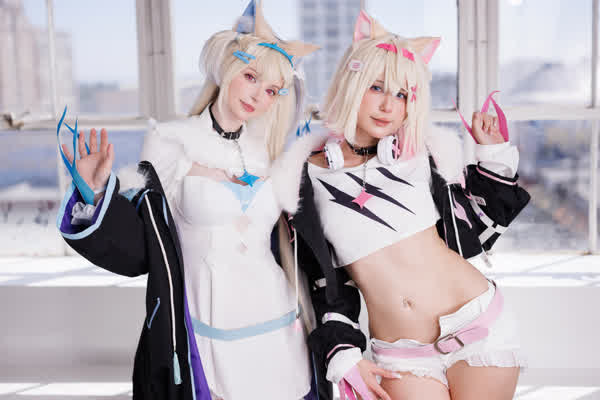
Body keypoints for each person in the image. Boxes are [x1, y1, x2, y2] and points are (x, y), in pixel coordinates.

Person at [56, 1, 322, 398]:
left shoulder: (268, 152)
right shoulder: (170, 141)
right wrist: (96, 193)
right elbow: (142, 247)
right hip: (207, 328)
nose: (258, 96)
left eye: (271, 90)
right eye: (251, 76)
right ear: (226, 69)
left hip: (278, 319)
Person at [292, 10, 531, 400]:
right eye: (377, 88)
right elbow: (325, 284)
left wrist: (493, 155)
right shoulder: (303, 180)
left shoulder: (421, 157)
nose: (389, 105)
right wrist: (343, 351)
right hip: (401, 353)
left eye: (402, 95)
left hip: (478, 324)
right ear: (351, 84)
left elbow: (478, 230)